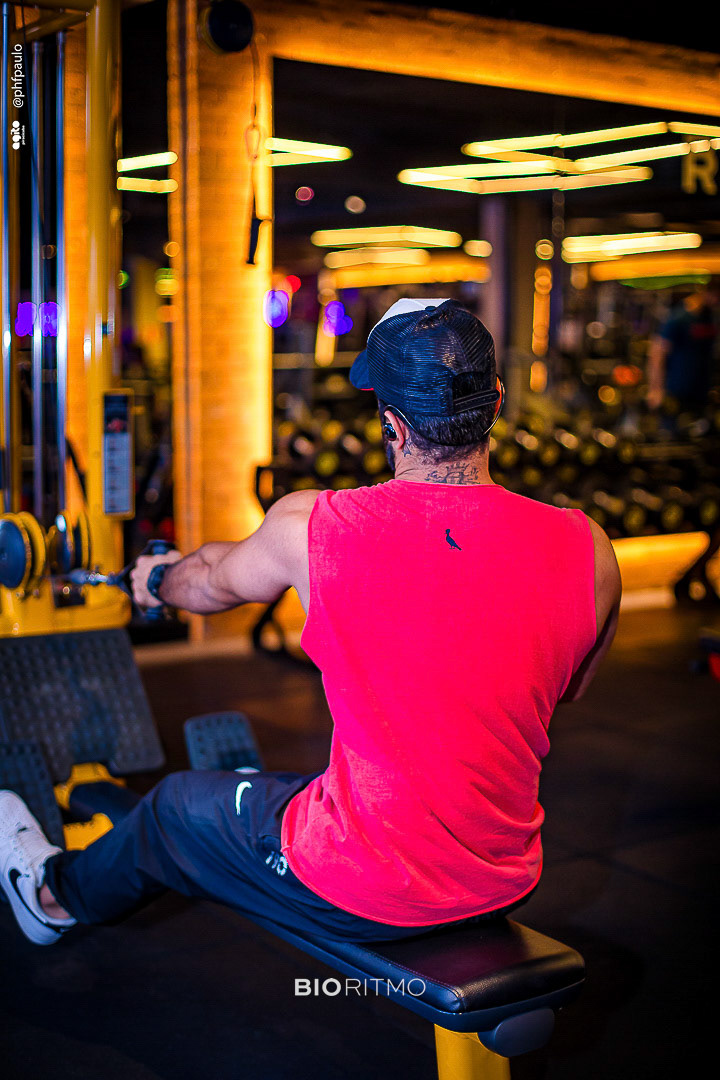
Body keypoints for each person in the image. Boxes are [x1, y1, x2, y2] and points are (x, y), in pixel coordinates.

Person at [0, 298, 621, 947]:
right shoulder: (589, 548)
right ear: (496, 399)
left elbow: (208, 582)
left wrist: (155, 580)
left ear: (393, 426)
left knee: (173, 808)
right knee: (291, 789)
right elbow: (567, 686)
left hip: (367, 887)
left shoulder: (316, 528)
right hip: (503, 877)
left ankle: (50, 897)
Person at [646, 285, 719, 413]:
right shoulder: (679, 317)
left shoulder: (710, 317)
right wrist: (655, 389)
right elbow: (657, 354)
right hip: (676, 389)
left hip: (702, 390)